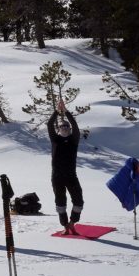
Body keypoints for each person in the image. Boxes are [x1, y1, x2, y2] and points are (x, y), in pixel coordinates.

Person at [47, 100, 83, 234]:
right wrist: (57, 111)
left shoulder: (74, 140)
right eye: (62, 127)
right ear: (58, 130)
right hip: (57, 177)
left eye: (67, 127)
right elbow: (49, 124)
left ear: (69, 129)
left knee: (78, 201)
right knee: (60, 203)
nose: (65, 129)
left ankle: (72, 223)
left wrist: (66, 111)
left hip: (71, 176)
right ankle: (65, 226)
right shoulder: (55, 140)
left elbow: (75, 125)